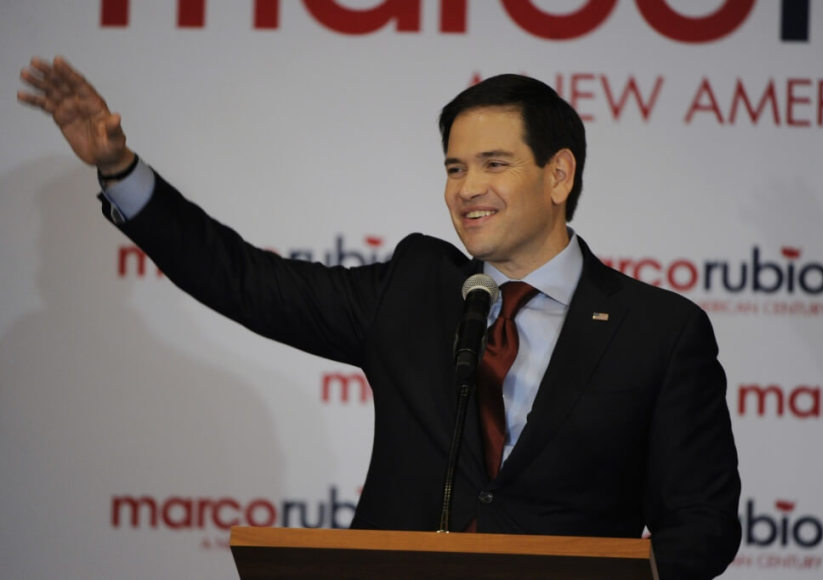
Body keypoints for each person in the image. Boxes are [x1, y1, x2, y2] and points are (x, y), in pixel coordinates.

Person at [19, 56, 741, 578]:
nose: (467, 190)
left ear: (559, 175)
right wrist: (120, 171)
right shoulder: (417, 290)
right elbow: (244, 281)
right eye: (455, 168)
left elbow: (702, 528)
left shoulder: (659, 332)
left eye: (493, 164)